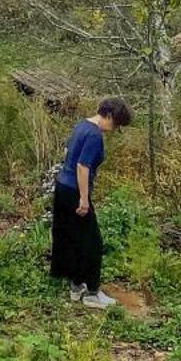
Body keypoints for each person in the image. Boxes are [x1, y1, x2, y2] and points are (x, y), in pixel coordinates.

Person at [49, 96, 131, 308]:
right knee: (93, 242)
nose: (114, 129)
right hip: (75, 190)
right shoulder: (95, 135)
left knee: (71, 237)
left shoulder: (82, 125)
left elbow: (68, 154)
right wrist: (84, 199)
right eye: (116, 124)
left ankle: (76, 286)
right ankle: (93, 293)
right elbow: (82, 167)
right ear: (109, 115)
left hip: (62, 187)